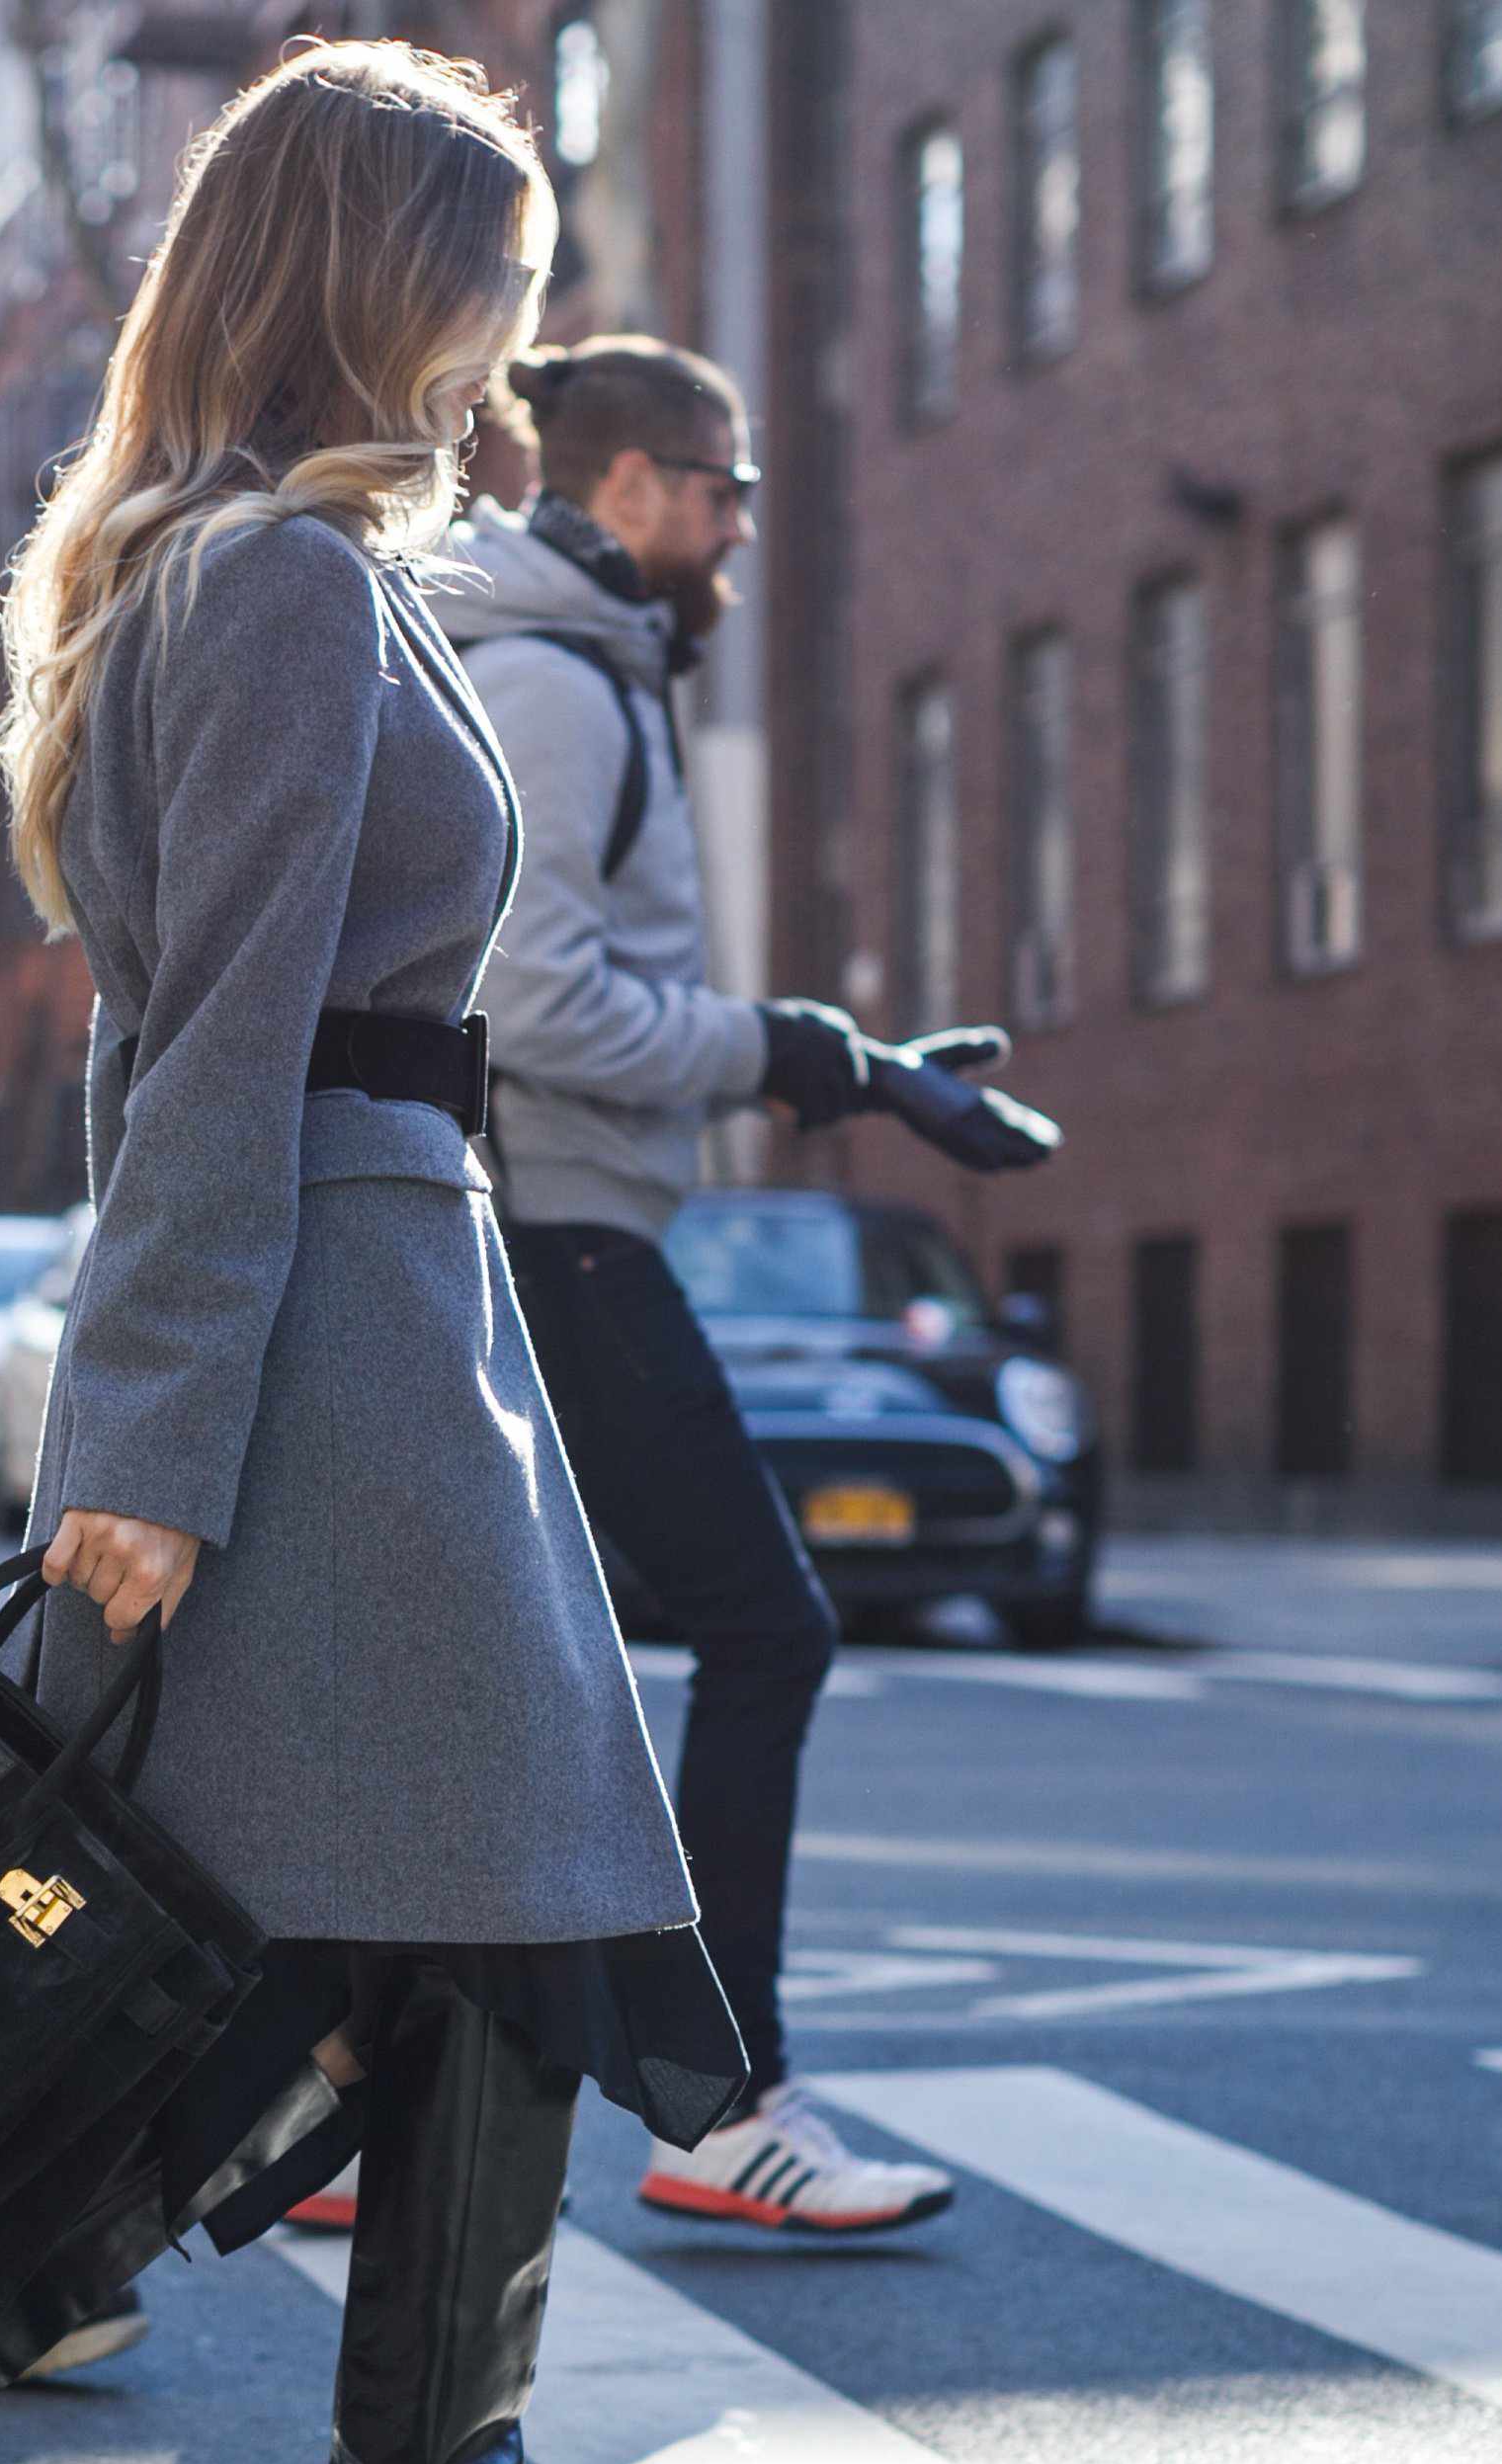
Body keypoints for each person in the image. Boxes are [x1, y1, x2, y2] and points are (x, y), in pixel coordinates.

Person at [0, 41, 752, 2464]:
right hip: (343, 1339)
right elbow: (204, 1047)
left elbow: (182, 1046)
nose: (510, 358)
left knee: (419, 1956)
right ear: (381, 278)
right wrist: (152, 1442)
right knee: (463, 1940)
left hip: (373, 1319)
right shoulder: (286, 582)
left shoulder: (233, 558)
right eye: (493, 294)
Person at [433, 333, 1055, 2238]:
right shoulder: (553, 683)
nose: (741, 528)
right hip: (556, 1219)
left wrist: (829, 1059)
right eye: (725, 490)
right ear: (626, 491)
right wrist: (803, 1052)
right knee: (761, 1627)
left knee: (510, 1677)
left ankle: (339, 2097)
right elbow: (536, 1001)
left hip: (546, 1211)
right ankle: (721, 2103)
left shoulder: (584, 669)